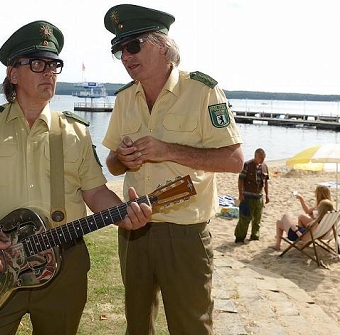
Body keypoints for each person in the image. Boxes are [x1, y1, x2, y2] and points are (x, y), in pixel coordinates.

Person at [0, 20, 152, 335]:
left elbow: (96, 193)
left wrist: (125, 214)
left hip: (64, 266)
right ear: (13, 74)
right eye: (37, 64)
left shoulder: (75, 132)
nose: (48, 72)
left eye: (54, 65)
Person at [102, 4, 244, 334]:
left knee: (190, 326)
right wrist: (124, 158)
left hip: (185, 232)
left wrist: (168, 150)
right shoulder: (125, 99)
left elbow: (234, 160)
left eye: (133, 45)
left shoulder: (202, 91)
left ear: (163, 45)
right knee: (137, 325)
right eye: (119, 49)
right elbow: (111, 164)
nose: (126, 56)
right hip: (134, 228)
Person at [234, 148, 270, 243]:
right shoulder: (247, 165)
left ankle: (255, 236)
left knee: (257, 219)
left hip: (259, 197)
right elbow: (240, 180)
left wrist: (267, 195)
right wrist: (240, 194)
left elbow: (266, 182)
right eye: (260, 158)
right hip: (247, 197)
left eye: (263, 158)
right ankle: (240, 237)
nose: (262, 160)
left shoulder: (265, 166)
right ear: (255, 156)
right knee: (245, 218)